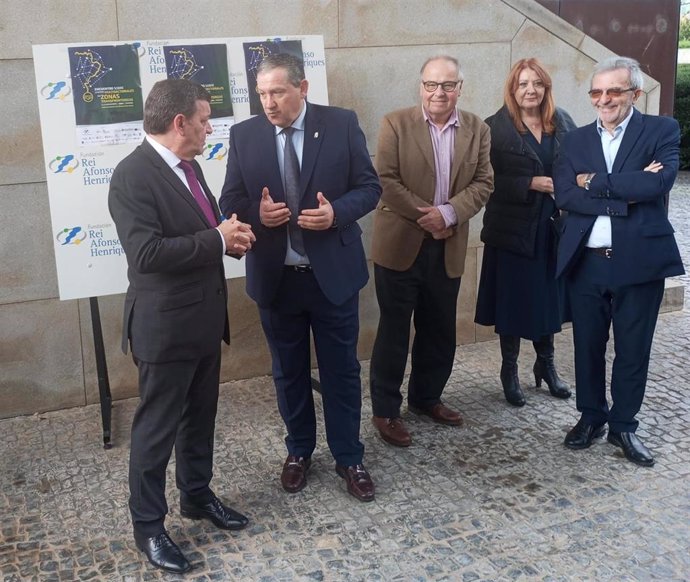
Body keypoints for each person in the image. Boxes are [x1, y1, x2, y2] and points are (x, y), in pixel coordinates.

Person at [108, 79, 255, 574]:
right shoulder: (132, 175)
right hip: (165, 330)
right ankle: (148, 528)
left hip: (203, 322)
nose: (210, 127)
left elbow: (202, 231)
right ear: (179, 123)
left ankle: (196, 496)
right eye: (204, 119)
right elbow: (147, 255)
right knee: (155, 433)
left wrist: (228, 238)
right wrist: (216, 238)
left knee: (200, 419)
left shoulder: (189, 166)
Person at [219, 54, 381, 501]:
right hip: (278, 279)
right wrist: (257, 214)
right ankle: (299, 451)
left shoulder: (341, 124)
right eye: (262, 93)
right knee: (288, 372)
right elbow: (228, 199)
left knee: (341, 372)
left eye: (278, 92)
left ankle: (350, 456)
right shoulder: (244, 135)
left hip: (332, 277)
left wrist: (336, 214)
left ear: (303, 87)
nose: (269, 102)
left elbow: (370, 187)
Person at [554, 56, 684, 467]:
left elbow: (659, 182)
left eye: (614, 90)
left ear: (635, 93)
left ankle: (623, 425)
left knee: (633, 348)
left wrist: (593, 182)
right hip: (587, 261)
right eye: (597, 91)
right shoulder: (574, 140)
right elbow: (564, 194)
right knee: (587, 345)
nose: (604, 99)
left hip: (639, 261)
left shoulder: (661, 129)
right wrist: (627, 194)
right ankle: (591, 416)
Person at [369, 55, 493, 447]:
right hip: (400, 243)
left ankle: (426, 398)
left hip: (448, 245)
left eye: (448, 85)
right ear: (420, 86)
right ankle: (386, 410)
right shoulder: (395, 123)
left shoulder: (477, 128)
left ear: (460, 87)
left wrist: (450, 213)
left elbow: (484, 181)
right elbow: (385, 179)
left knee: (439, 328)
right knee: (393, 330)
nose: (439, 92)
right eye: (431, 85)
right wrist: (429, 215)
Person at [475, 58, 576, 407]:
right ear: (512, 89)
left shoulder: (562, 122)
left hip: (551, 228)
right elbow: (483, 182)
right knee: (512, 303)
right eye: (523, 84)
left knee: (549, 300)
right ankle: (509, 369)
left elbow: (579, 165)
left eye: (537, 83)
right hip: (512, 232)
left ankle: (546, 366)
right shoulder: (494, 128)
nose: (530, 90)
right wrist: (527, 183)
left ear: (546, 88)